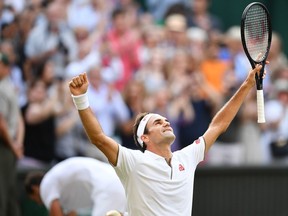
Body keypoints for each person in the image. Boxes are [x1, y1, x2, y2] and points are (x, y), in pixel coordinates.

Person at [68, 62, 266, 215]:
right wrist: (80, 99)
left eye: (165, 120)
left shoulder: (187, 157)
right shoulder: (133, 161)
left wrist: (247, 83)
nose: (165, 122)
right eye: (157, 122)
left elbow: (218, 125)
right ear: (144, 137)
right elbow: (99, 138)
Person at [24, 157, 127, 216]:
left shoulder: (45, 186)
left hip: (108, 189)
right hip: (122, 181)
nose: (37, 203)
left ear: (34, 189)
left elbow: (56, 213)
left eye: (33, 199)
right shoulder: (58, 184)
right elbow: (72, 214)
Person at [0, 52, 24, 216]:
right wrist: (17, 145)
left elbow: (2, 124)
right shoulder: (9, 86)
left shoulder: (3, 87)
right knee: (7, 193)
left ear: (6, 67)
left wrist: (15, 145)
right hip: (9, 144)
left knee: (4, 193)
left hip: (5, 145)